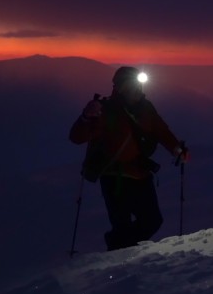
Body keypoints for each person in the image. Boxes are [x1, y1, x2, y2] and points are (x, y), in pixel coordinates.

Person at [69, 66, 188, 251]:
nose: (137, 89)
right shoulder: (106, 110)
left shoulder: (145, 108)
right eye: (131, 85)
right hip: (114, 178)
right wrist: (86, 117)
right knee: (125, 225)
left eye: (138, 84)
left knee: (152, 221)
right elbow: (77, 137)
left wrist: (177, 150)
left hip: (139, 175)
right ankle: (121, 259)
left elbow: (161, 131)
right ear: (119, 87)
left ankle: (119, 249)